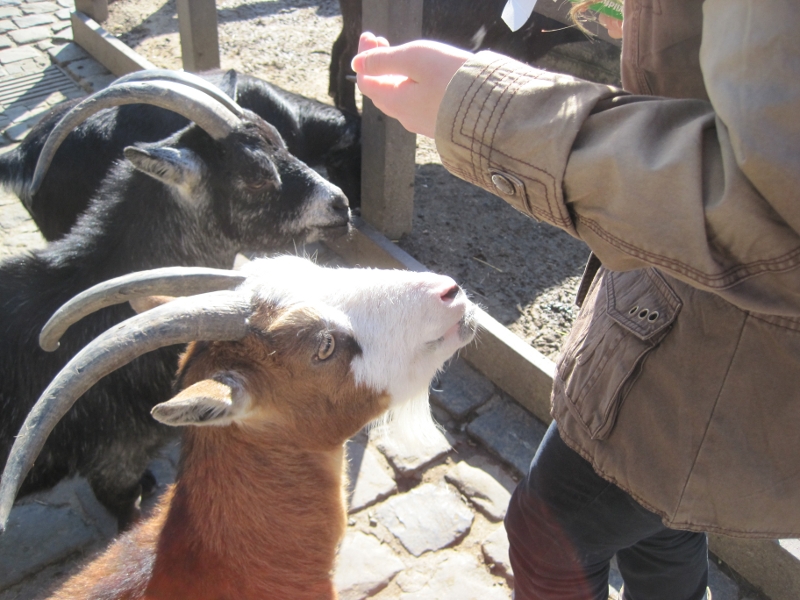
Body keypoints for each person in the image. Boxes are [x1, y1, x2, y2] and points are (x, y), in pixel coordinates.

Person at [352, 1, 800, 598]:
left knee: (549, 526)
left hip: (730, 331)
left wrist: (485, 114)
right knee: (661, 516)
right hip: (699, 306)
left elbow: (772, 203)